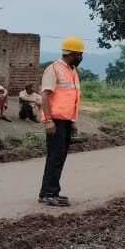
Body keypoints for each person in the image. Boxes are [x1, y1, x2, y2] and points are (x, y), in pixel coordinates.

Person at [39, 37, 84, 207]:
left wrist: (73, 122)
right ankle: (50, 193)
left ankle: (47, 192)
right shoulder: (54, 69)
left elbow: (72, 99)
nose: (80, 58)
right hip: (55, 120)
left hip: (65, 121)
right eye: (79, 55)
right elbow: (45, 96)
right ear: (71, 54)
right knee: (55, 157)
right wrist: (49, 120)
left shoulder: (72, 72)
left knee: (58, 157)